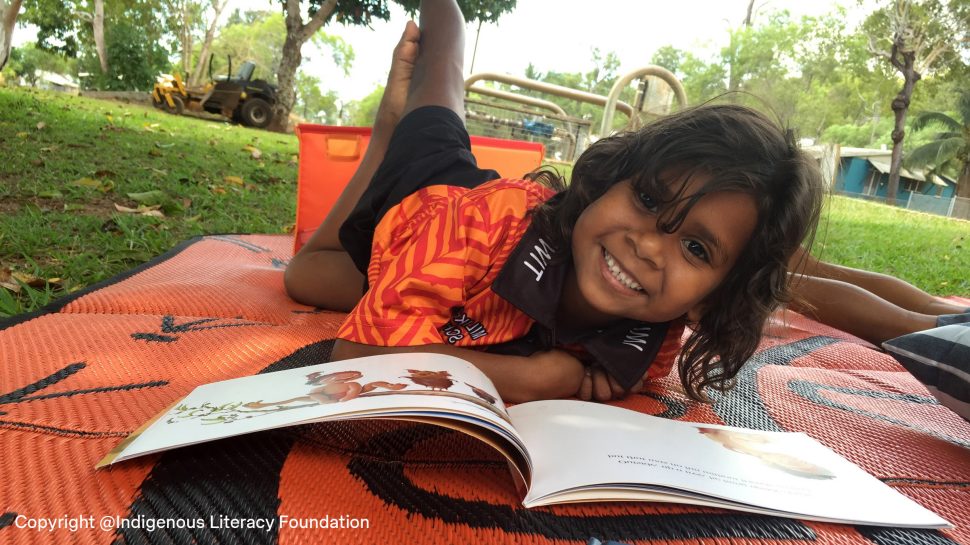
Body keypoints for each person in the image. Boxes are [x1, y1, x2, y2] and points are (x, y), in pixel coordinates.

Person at [285, 0, 964, 404]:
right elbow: (356, 355)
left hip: (429, 282)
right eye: (645, 200)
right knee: (440, 91)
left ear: (708, 301)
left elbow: (635, 372)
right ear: (607, 179)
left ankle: (943, 317)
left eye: (695, 247)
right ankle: (421, 62)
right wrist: (537, 379)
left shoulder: (658, 327)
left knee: (307, 278)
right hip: (438, 194)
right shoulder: (471, 229)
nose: (647, 243)